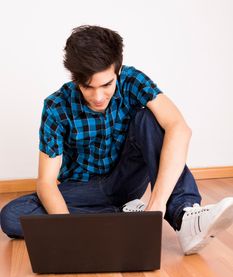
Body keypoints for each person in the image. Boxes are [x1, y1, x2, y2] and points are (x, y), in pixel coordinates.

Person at [0, 25, 233, 255]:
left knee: (147, 119)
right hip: (84, 190)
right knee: (11, 216)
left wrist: (157, 204)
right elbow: (46, 183)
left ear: (118, 71)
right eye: (88, 87)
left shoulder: (132, 81)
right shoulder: (56, 106)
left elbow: (179, 128)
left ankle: (184, 216)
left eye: (106, 84)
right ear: (75, 79)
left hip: (126, 178)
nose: (98, 97)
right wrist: (67, 230)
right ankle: (122, 212)